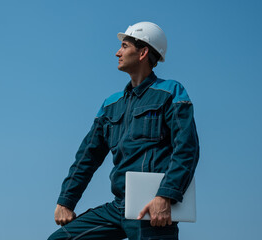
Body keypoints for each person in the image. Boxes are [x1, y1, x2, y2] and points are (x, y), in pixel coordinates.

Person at [48, 21, 199, 240]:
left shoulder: (170, 92)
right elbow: (86, 158)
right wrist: (66, 202)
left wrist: (165, 196)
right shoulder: (111, 104)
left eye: (125, 46)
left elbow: (187, 149)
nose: (117, 52)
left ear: (143, 52)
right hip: (118, 207)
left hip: (151, 208)